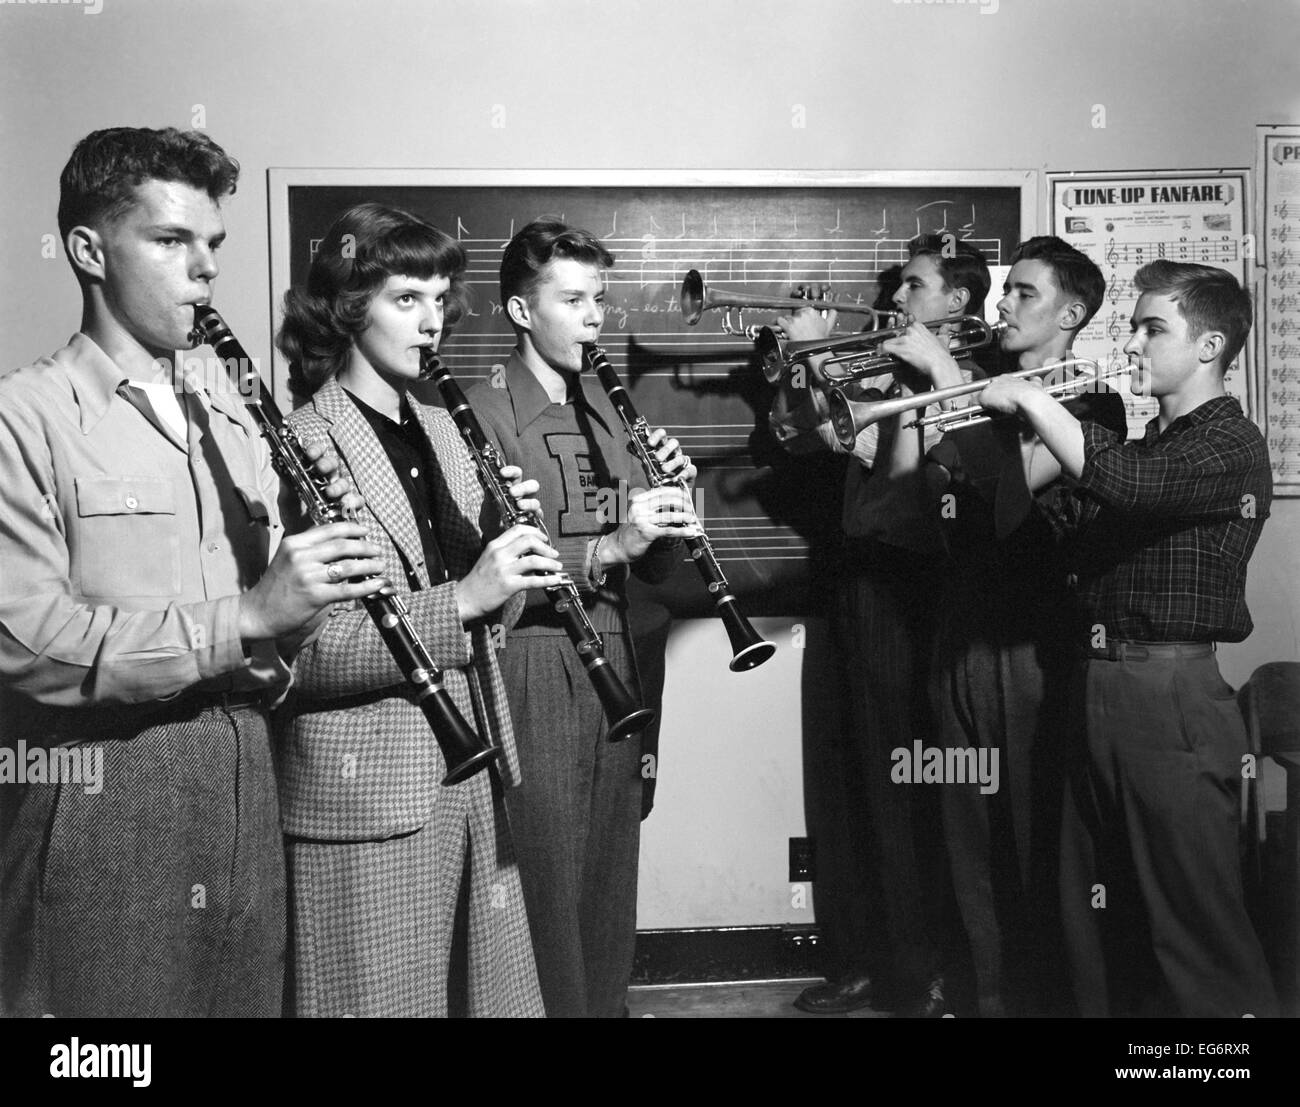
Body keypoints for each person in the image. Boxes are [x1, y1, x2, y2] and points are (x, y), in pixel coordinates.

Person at [0, 127, 384, 1018]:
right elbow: (26, 642)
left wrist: (306, 591)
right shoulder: (23, 417)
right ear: (89, 250)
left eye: (212, 244)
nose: (204, 268)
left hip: (246, 766)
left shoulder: (231, 406)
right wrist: (244, 616)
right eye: (171, 241)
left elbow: (275, 622)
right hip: (101, 783)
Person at [275, 202, 558, 1017]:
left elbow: (486, 621)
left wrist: (506, 557)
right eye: (407, 298)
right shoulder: (298, 441)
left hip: (474, 770)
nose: (432, 321)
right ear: (348, 304)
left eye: (440, 299)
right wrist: (466, 595)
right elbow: (303, 655)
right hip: (366, 795)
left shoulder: (449, 431)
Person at [978, 260, 1279, 1017]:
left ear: (1209, 346)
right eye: (1134, 324)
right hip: (1098, 686)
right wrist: (1017, 436)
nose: (1133, 341)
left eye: (1153, 328)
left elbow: (1138, 489)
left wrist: (1036, 404)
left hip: (1169, 696)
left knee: (1192, 924)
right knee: (1095, 919)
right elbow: (1073, 530)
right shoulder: (1145, 444)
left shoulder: (1229, 445)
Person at [466, 219, 696, 1018]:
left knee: (609, 877)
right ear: (522, 312)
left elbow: (660, 570)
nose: (595, 316)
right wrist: (609, 544)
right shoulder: (479, 411)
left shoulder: (608, 402)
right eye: (573, 299)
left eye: (599, 298)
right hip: (534, 657)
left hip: (620, 653)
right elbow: (497, 572)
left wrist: (675, 512)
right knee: (544, 883)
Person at [769, 235, 991, 1016]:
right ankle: (871, 956)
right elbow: (806, 436)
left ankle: (927, 968)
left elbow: (899, 466)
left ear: (957, 302)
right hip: (860, 581)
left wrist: (826, 362)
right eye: (897, 286)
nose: (895, 299)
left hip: (920, 585)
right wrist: (806, 360)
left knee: (914, 782)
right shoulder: (879, 366)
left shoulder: (977, 375)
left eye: (914, 286)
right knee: (857, 778)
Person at [924, 235, 1127, 1016]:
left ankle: (1058, 1002)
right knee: (965, 830)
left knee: (1041, 834)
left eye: (1024, 294)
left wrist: (947, 382)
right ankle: (991, 999)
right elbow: (933, 497)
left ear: (1071, 314)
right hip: (959, 629)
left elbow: (1007, 496)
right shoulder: (983, 389)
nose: (1001, 304)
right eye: (1004, 290)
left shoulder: (1091, 402)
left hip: (1032, 641)